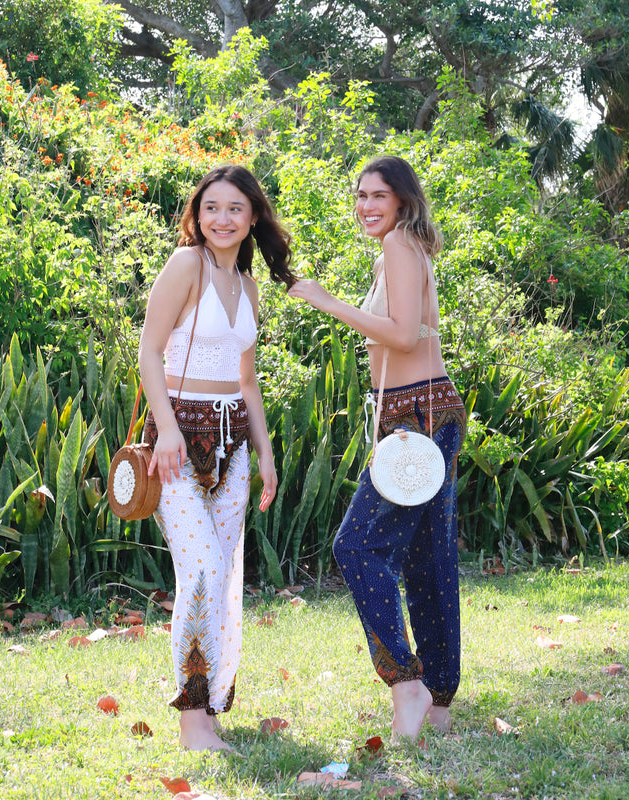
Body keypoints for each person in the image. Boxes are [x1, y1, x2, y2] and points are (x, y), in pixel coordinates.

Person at [288, 155, 466, 741]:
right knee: (426, 560)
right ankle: (437, 703)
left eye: (377, 196)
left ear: (403, 201)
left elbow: (403, 333)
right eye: (359, 196)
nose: (365, 206)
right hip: (421, 412)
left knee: (356, 545)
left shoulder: (398, 246)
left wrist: (325, 301)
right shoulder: (404, 246)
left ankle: (407, 683)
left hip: (420, 413)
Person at [138, 165, 296, 752]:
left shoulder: (250, 288)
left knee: (224, 576)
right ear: (196, 215)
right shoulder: (186, 266)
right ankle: (192, 722)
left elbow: (247, 381)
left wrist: (266, 453)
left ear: (253, 216)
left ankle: (212, 704)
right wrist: (169, 431)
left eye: (234, 209)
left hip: (233, 447)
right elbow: (149, 350)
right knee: (201, 569)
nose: (221, 219)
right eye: (210, 208)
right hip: (177, 442)